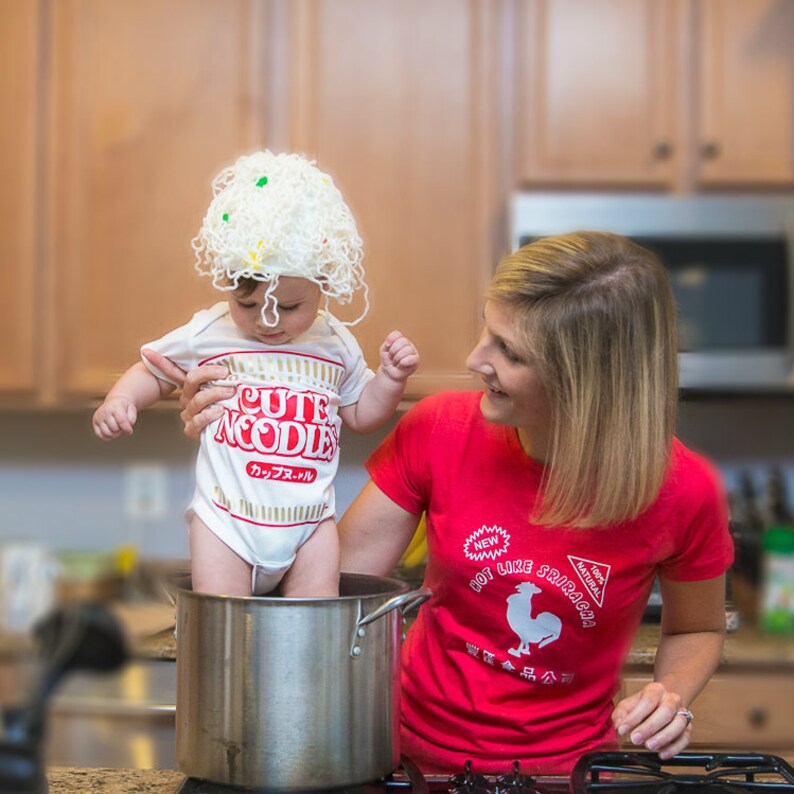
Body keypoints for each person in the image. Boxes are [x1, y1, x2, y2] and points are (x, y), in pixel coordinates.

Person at [146, 231, 733, 775]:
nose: (476, 360)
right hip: (405, 759)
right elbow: (315, 604)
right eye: (487, 331)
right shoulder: (440, 429)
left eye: (510, 353)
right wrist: (244, 446)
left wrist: (672, 695)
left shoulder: (683, 489)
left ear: (586, 382)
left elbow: (697, 628)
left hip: (568, 776)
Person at [92, 151, 418, 598]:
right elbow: (153, 368)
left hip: (310, 528)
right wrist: (121, 399)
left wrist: (391, 379)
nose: (268, 320)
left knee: (312, 624)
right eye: (248, 304)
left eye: (289, 306)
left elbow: (362, 413)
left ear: (323, 283)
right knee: (222, 619)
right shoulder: (211, 331)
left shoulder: (334, 343)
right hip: (226, 523)